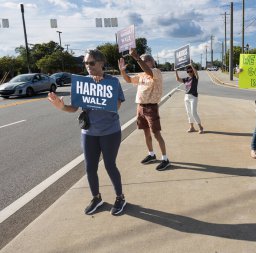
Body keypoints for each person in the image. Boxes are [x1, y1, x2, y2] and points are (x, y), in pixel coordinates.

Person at [48, 49, 126, 215]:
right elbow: (73, 108)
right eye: (85, 63)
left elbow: (117, 106)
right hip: (89, 132)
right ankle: (96, 198)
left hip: (109, 131)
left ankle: (120, 198)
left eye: (91, 63)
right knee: (90, 167)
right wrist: (61, 107)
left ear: (101, 63)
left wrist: (101, 86)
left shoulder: (112, 81)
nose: (88, 66)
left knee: (109, 165)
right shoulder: (81, 83)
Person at [118, 48, 170, 171]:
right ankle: (151, 154)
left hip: (151, 108)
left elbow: (148, 70)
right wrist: (122, 71)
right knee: (146, 132)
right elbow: (129, 80)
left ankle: (165, 159)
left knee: (156, 134)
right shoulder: (141, 75)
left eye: (147, 60)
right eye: (143, 60)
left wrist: (137, 58)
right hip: (140, 107)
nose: (144, 62)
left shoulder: (156, 72)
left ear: (152, 62)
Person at [175, 64, 204, 133]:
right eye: (188, 71)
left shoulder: (195, 78)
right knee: (188, 113)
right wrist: (176, 71)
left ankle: (200, 127)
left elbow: (196, 73)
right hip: (186, 97)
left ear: (193, 71)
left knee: (193, 112)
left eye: (191, 71)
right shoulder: (186, 79)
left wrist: (192, 65)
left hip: (193, 97)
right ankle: (192, 127)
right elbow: (178, 79)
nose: (189, 72)